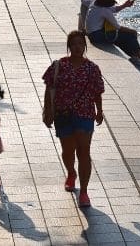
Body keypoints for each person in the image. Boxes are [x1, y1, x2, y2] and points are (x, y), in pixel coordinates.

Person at [43, 31, 105, 209]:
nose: (77, 47)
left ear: (85, 46)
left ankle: (84, 191)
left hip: (85, 113)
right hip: (63, 114)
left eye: (81, 44)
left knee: (84, 151)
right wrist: (48, 111)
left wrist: (99, 110)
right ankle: (71, 172)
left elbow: (97, 91)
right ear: (69, 46)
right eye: (74, 44)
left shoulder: (92, 68)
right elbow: (49, 88)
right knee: (67, 150)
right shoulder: (59, 65)